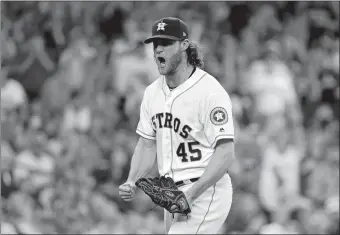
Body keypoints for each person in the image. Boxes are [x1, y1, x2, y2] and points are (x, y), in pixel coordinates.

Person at [119, 17, 236, 234]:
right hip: (172, 195)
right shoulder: (152, 93)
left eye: (166, 43)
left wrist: (191, 195)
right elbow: (146, 145)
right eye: (156, 44)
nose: (158, 50)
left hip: (206, 190)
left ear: (184, 45)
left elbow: (226, 153)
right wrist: (131, 180)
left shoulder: (210, 91)